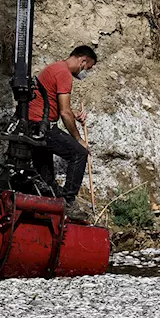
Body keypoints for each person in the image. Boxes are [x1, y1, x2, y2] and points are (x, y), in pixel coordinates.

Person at [26, 45, 98, 217]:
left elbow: (51, 102)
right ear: (83, 61)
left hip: (32, 124)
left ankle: (48, 205)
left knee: (46, 177)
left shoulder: (54, 68)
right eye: (87, 68)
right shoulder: (64, 74)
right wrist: (78, 139)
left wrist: (74, 114)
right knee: (79, 153)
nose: (84, 73)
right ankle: (68, 202)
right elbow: (64, 113)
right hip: (42, 126)